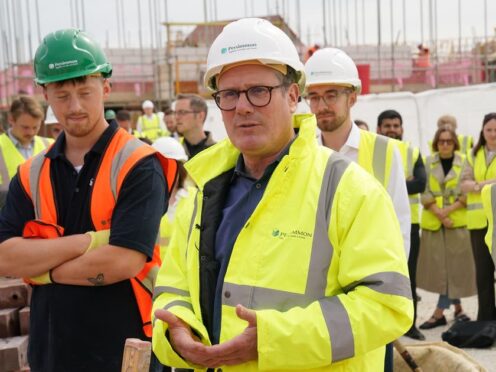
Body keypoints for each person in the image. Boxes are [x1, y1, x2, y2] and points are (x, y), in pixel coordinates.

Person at [152, 17, 413, 371]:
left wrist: (272, 340)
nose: (242, 107)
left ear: (293, 96)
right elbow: (172, 289)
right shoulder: (203, 194)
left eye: (259, 91)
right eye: (229, 95)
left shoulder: (348, 190)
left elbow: (388, 305)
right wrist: (176, 333)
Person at [0, 28, 177, 371]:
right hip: (52, 353)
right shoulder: (30, 174)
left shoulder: (139, 164)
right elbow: (5, 258)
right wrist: (88, 242)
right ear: (45, 94)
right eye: (62, 95)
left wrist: (41, 269)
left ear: (106, 88)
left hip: (125, 354)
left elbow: (122, 262)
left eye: (85, 92)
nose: (75, 106)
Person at [304, 48, 411, 257]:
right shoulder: (303, 153)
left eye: (331, 96)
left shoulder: (384, 151)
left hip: (369, 273)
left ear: (351, 99)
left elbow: (399, 222)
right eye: (314, 97)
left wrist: (393, 282)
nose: (321, 105)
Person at [417, 126, 475, 329]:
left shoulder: (464, 162)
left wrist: (447, 211)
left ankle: (439, 313)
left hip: (456, 224)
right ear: (436, 143)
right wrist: (439, 214)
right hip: (435, 225)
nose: (444, 145)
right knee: (444, 273)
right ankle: (458, 309)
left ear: (454, 143)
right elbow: (423, 191)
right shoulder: (428, 162)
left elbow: (466, 194)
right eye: (441, 141)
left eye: (448, 141)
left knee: (454, 271)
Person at [377, 109, 427, 340]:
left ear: (402, 128)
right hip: (377, 222)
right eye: (388, 126)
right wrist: (401, 182)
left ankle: (411, 325)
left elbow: (420, 184)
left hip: (410, 224)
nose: (392, 130)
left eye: (396, 126)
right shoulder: (375, 151)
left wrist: (388, 184)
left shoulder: (412, 151)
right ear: (379, 128)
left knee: (409, 275)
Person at [461, 112, 496, 321]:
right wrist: (488, 183)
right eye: (489, 130)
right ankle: (486, 319)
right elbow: (463, 186)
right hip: (478, 223)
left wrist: (476, 185)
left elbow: (470, 185)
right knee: (483, 274)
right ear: (482, 131)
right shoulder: (472, 155)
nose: (493, 134)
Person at [0, 96, 53, 208]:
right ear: (11, 119)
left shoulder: (50, 146)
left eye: (35, 127)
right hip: (7, 219)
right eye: (25, 127)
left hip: (42, 220)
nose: (31, 132)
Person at [152, 137, 193, 259]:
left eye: (171, 167)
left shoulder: (196, 198)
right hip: (155, 273)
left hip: (184, 273)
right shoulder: (145, 200)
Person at [174, 93, 216, 158]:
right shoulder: (174, 150)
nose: (176, 117)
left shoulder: (217, 151)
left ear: (200, 116)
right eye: (175, 113)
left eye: (182, 112)